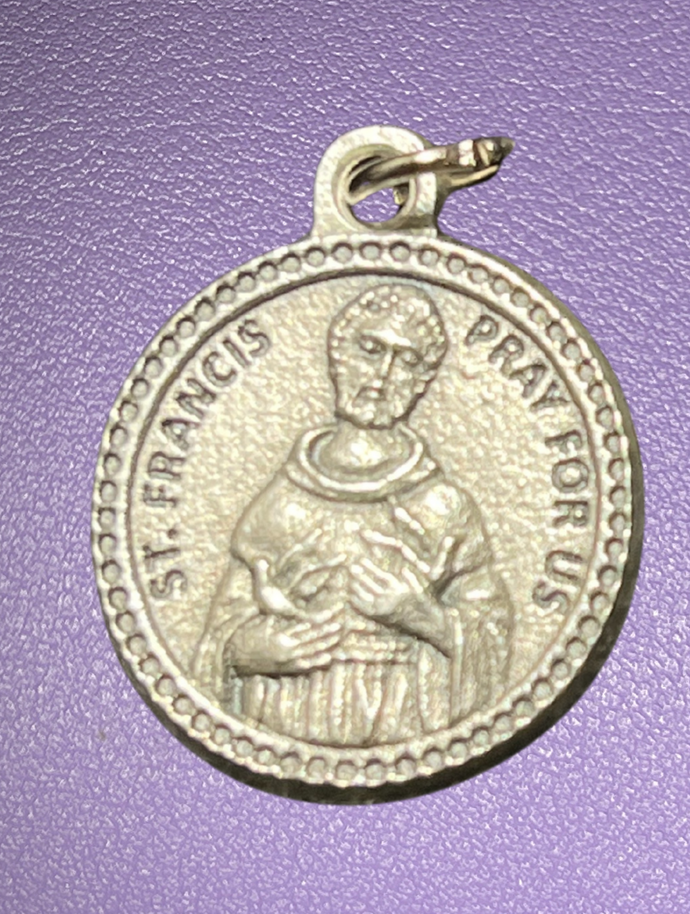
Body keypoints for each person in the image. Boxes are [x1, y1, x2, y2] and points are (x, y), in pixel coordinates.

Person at [193, 284, 513, 746]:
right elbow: (218, 634)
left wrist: (423, 616)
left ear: (423, 382)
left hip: (406, 728)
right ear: (337, 357)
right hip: (283, 724)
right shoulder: (282, 503)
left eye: (406, 361)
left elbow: (496, 642)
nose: (383, 374)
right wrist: (248, 651)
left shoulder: (443, 507)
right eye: (370, 349)